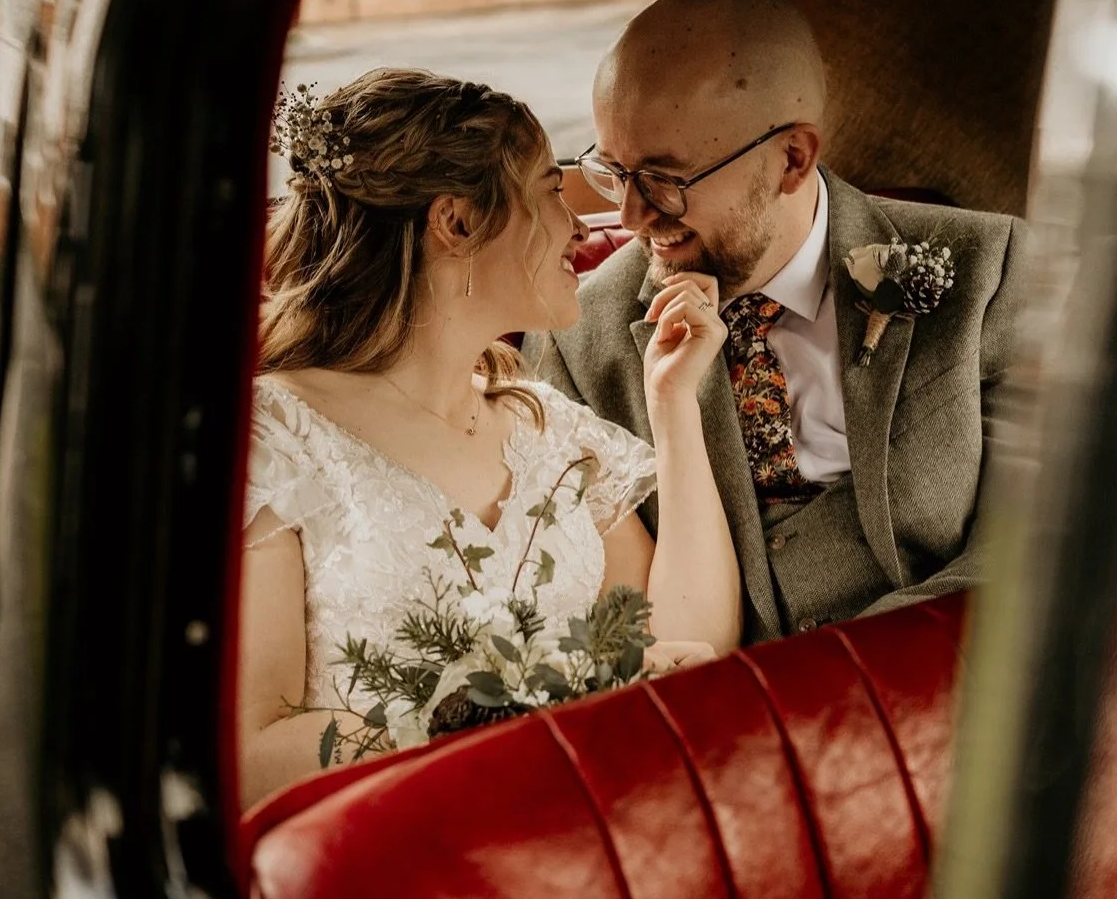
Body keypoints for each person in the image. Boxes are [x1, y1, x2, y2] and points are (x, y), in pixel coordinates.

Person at [238, 68, 741, 810]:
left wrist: (671, 403)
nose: (580, 226)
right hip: (387, 842)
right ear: (458, 222)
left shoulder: (546, 427)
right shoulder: (272, 439)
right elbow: (253, 746)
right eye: (549, 189)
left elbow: (685, 640)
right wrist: (518, 721)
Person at [525, 0, 1033, 643]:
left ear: (792, 158)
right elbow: (607, 611)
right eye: (612, 170)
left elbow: (1033, 542)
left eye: (664, 178)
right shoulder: (578, 338)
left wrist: (847, 683)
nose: (630, 215)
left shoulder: (985, 267)